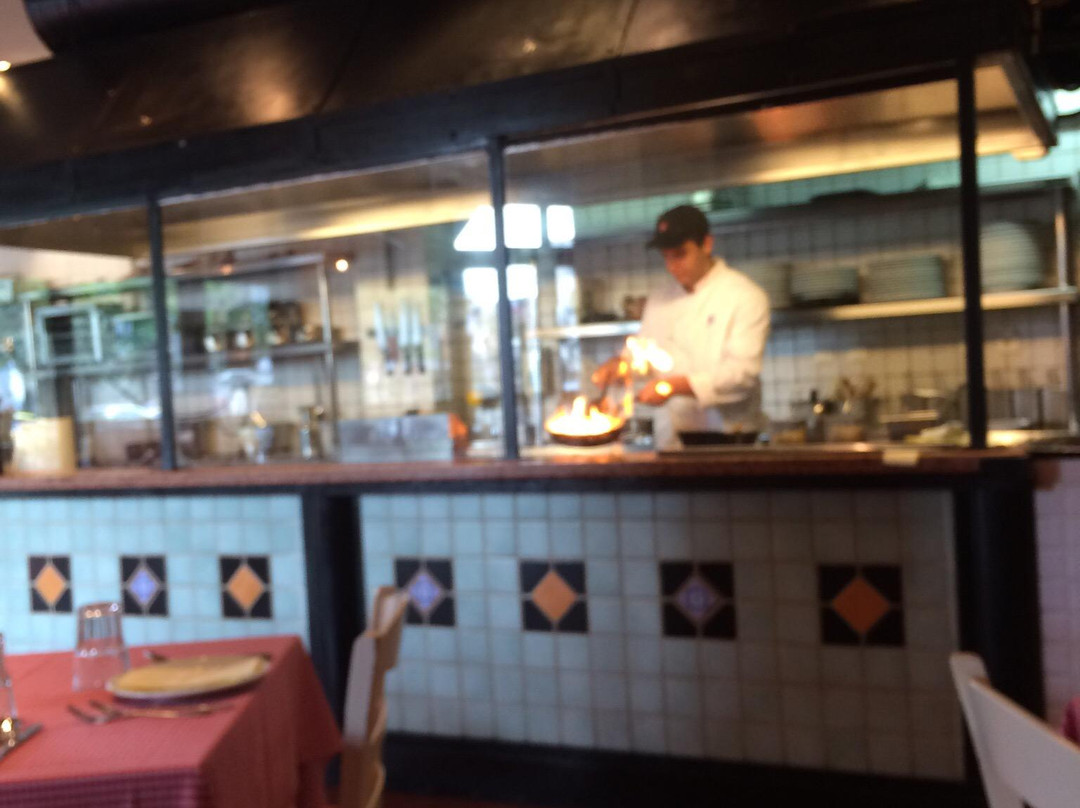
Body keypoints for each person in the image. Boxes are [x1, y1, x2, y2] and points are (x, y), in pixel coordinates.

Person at [593, 205, 771, 449]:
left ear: (706, 244)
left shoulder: (744, 296)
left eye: (680, 254)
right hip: (673, 440)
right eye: (666, 256)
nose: (672, 265)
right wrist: (620, 366)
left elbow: (741, 376)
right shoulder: (659, 299)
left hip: (732, 439)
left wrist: (673, 387)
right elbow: (642, 356)